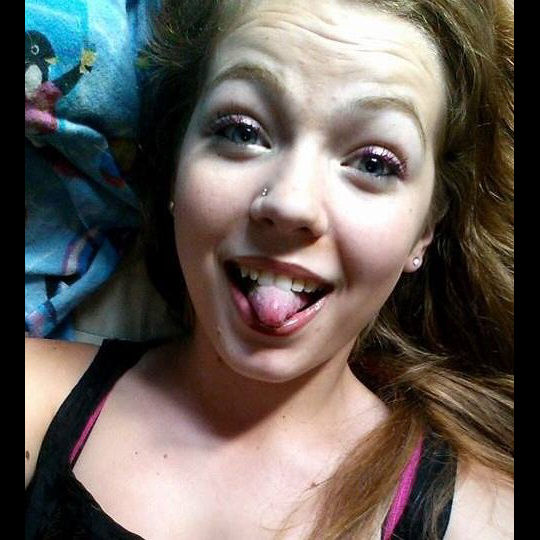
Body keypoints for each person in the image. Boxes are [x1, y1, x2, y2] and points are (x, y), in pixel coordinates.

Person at [25, 0, 514, 538]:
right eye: (241, 132)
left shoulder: (489, 520)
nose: (290, 203)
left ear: (425, 228)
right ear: (175, 165)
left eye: (374, 163)